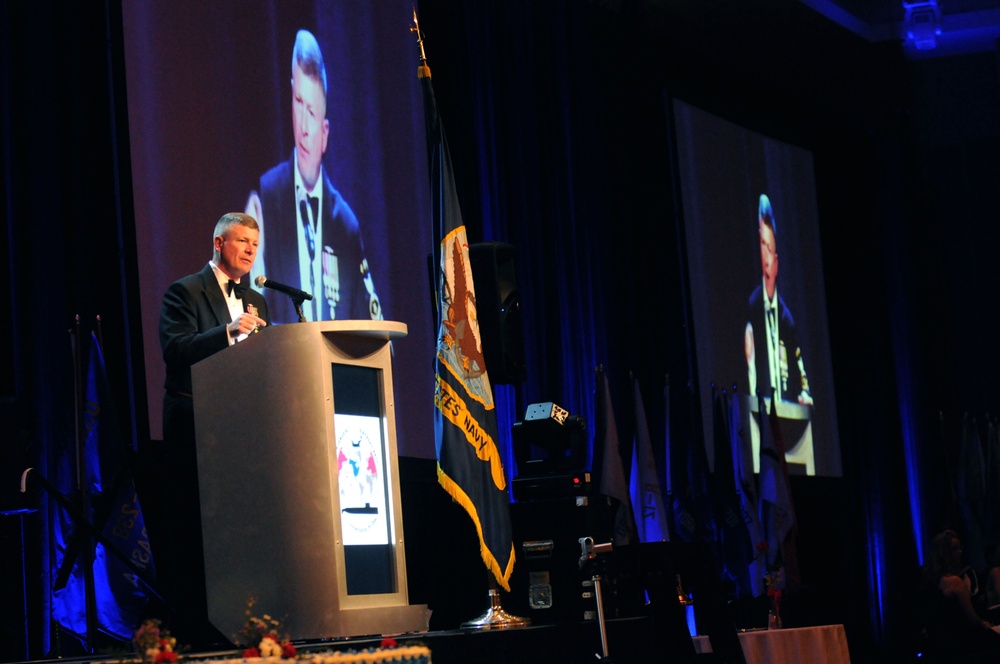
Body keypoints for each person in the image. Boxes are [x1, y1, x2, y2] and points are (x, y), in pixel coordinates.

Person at [157, 211, 269, 646]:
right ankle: (199, 635)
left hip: (242, 430)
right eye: (242, 241)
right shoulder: (184, 292)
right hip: (195, 426)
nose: (249, 251)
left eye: (255, 245)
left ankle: (246, 625)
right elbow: (176, 349)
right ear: (219, 243)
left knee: (242, 532)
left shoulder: (257, 302)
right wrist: (227, 331)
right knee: (198, 535)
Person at [245, 29, 382, 325]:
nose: (304, 127)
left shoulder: (346, 225)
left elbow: (369, 324)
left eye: (313, 111)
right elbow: (251, 313)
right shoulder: (267, 196)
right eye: (298, 102)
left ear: (326, 133)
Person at [744, 194, 813, 406]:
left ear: (776, 262)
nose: (765, 256)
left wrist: (804, 393)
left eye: (769, 248)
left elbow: (799, 366)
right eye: (762, 245)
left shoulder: (786, 319)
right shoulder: (752, 307)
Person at [916, 529, 1000, 661]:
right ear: (944, 553)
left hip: (937, 646)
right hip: (960, 644)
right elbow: (973, 620)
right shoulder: (955, 582)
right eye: (954, 549)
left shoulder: (928, 582)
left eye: (960, 548)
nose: (960, 552)